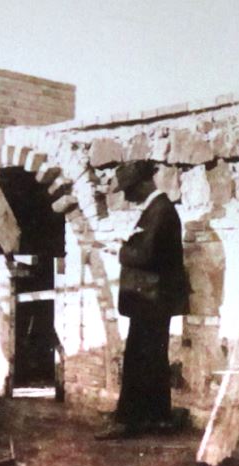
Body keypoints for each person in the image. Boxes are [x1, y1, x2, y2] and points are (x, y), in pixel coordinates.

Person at [98, 160, 190, 439]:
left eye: (129, 189)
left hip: (152, 300)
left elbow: (146, 256)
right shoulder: (157, 209)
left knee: (139, 359)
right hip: (151, 299)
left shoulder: (160, 211)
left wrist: (121, 249)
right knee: (151, 359)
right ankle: (155, 416)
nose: (126, 196)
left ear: (144, 184)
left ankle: (129, 420)